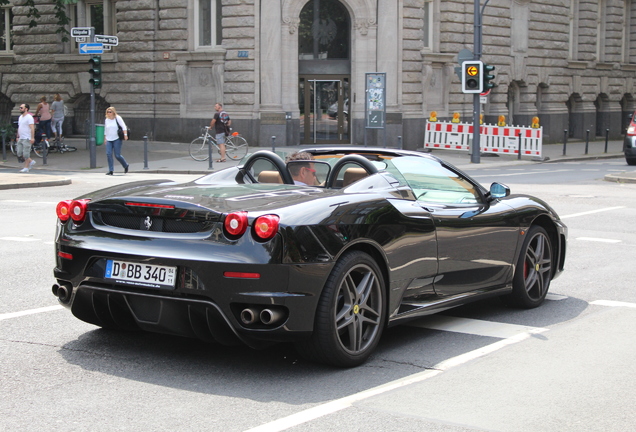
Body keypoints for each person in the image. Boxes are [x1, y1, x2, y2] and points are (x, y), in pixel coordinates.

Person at [103, 106, 129, 175]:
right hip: (109, 139)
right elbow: (106, 129)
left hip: (117, 138)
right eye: (108, 112)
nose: (109, 113)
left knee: (117, 155)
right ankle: (111, 170)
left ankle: (125, 165)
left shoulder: (118, 118)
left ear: (113, 112)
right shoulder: (107, 120)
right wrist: (105, 138)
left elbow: (123, 126)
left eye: (110, 112)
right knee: (108, 154)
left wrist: (125, 135)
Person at [16, 103, 36, 173]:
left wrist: (32, 137)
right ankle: (31, 161)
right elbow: (19, 127)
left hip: (27, 138)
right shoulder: (20, 117)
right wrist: (18, 136)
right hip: (21, 137)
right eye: (20, 107)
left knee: (26, 154)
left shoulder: (29, 117)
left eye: (21, 107)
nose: (20, 109)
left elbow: (32, 128)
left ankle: (26, 167)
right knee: (19, 153)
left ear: (26, 109)